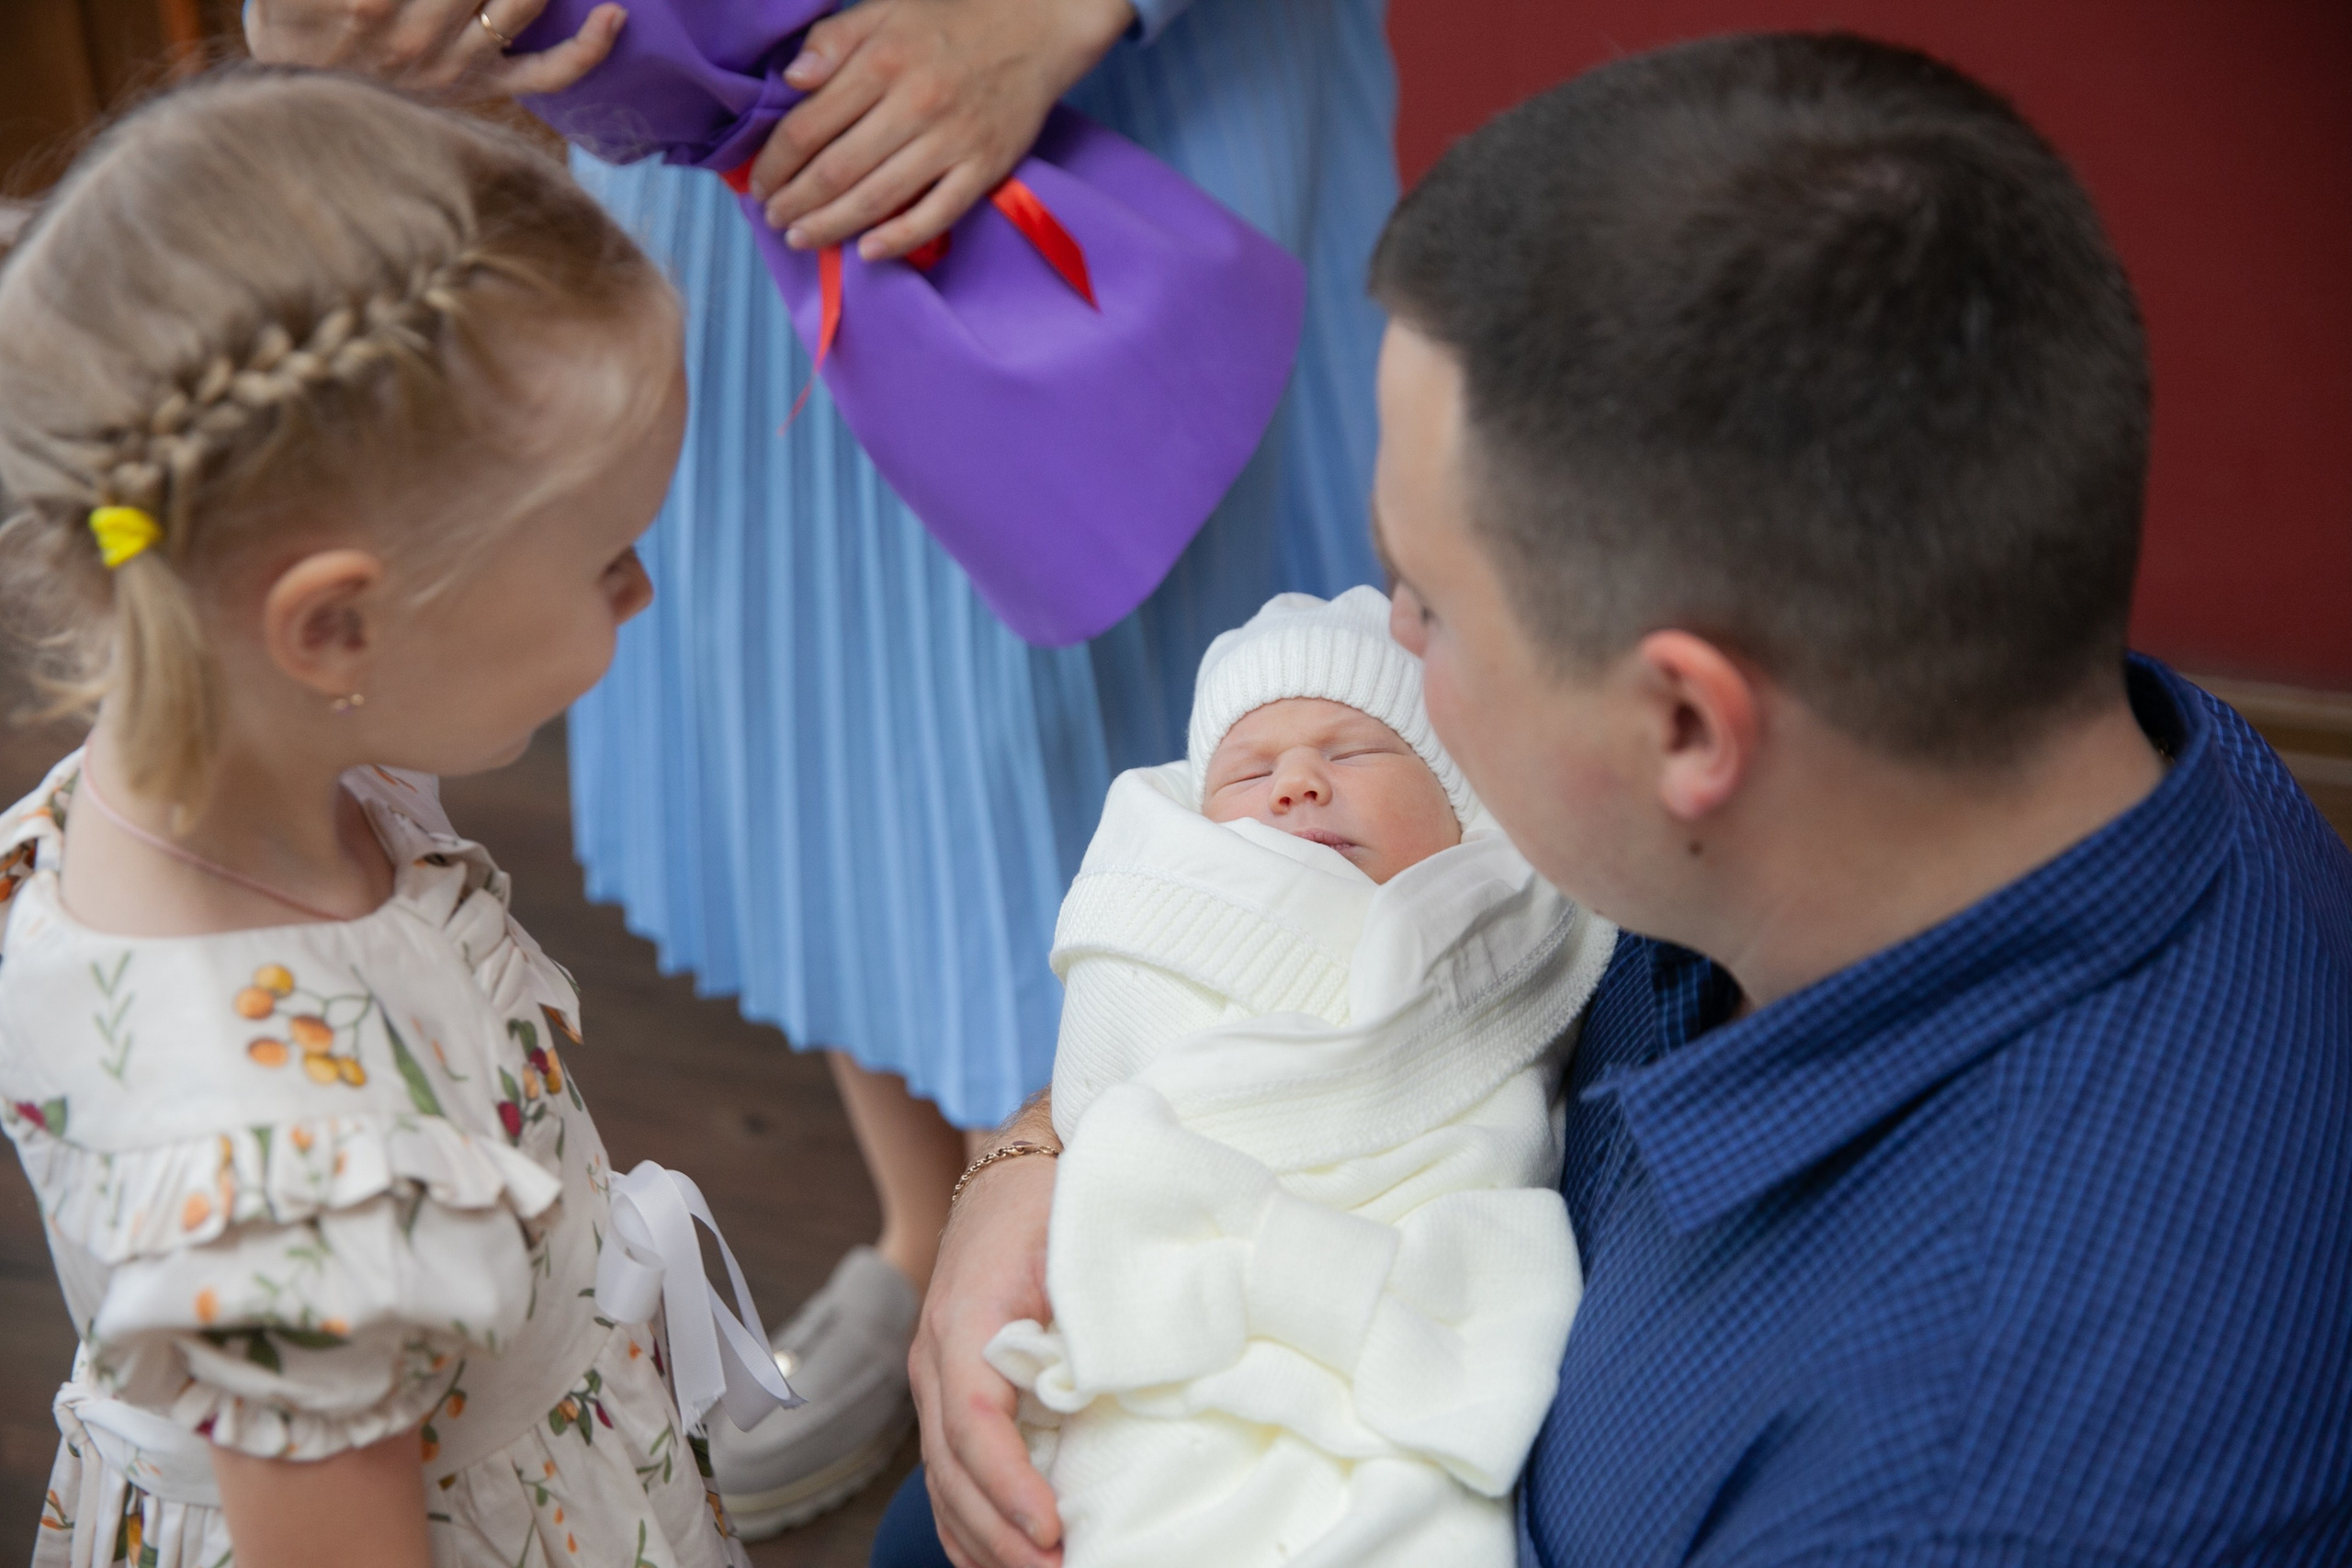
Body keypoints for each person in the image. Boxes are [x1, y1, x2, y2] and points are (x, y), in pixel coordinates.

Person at [886, 31, 2352, 1568]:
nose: (1384, 647)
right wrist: (1032, 1160)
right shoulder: (1983, 720)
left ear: (1685, 724)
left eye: (1427, 606)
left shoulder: (1945, 1490)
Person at [243, 0, 1396, 1529]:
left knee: (1135, 738)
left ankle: (1199, 1338)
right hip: (720, 135)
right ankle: (932, 1227)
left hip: (1117, 92)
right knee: (816, 720)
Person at [0, 70, 779, 1568]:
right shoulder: (277, 1190)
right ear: (336, 628)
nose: (644, 592)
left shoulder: (245, 753)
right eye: (610, 553)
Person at [982, 586, 1611, 1567]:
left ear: (1456, 802)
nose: (1297, 785)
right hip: (1182, 1313)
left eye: (1353, 751)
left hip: (1419, 1301)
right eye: (1250, 770)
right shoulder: (1156, 927)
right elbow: (1106, 1094)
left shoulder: (1510, 927)